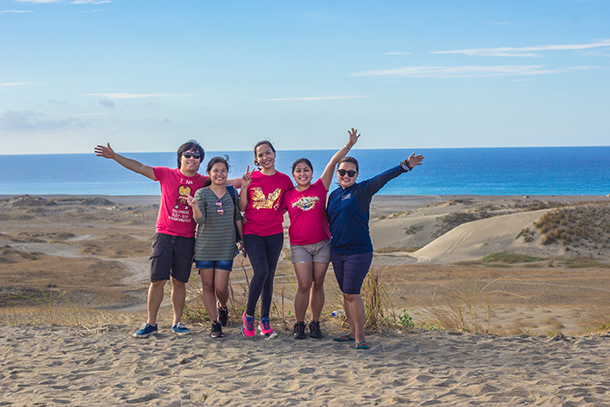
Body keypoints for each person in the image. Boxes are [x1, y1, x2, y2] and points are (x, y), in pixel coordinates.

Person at [94, 141, 238, 338]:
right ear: (180, 157)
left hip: (187, 239)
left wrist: (251, 179)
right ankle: (151, 323)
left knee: (179, 282)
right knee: (157, 280)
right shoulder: (166, 174)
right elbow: (139, 167)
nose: (192, 159)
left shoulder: (203, 180)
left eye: (196, 156)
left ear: (200, 161)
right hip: (164, 235)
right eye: (188, 155)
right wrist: (115, 156)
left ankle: (177, 322)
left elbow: (228, 182)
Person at [327, 147, 424, 349]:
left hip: (359, 251)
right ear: (337, 173)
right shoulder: (334, 195)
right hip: (337, 251)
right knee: (345, 293)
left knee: (353, 293)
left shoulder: (363, 190)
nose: (346, 175)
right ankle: (351, 331)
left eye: (351, 172)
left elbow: (383, 178)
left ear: (357, 174)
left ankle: (360, 337)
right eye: (342, 172)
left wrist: (404, 166)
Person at [282, 128, 360, 339]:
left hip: (323, 244)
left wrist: (349, 145)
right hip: (299, 246)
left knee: (318, 284)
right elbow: (270, 211)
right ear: (293, 174)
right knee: (304, 284)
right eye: (298, 170)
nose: (302, 173)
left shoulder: (320, 187)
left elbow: (333, 163)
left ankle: (315, 323)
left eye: (306, 170)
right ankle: (299, 324)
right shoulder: (287, 195)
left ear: (312, 173)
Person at [239, 141, 293, 338]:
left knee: (269, 275)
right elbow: (243, 207)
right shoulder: (251, 178)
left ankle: (265, 319)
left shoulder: (285, 180)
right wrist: (244, 187)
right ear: (256, 159)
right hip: (252, 232)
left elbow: (287, 204)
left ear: (275, 154)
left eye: (268, 153)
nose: (265, 158)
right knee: (261, 271)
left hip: (275, 233)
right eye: (260, 155)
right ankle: (249, 315)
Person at [187, 156, 243, 339]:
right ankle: (214, 323)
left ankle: (223, 307)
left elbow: (237, 216)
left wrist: (243, 240)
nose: (219, 174)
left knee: (221, 288)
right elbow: (200, 220)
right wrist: (195, 206)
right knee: (207, 286)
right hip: (204, 246)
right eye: (215, 171)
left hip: (226, 246)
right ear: (209, 173)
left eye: (223, 171)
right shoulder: (201, 194)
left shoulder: (231, 192)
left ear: (227, 173)